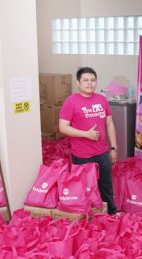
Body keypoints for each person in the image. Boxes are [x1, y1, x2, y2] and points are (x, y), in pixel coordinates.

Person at [59, 66, 118, 214]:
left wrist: (113, 148)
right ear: (78, 83)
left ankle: (111, 211)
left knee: (106, 185)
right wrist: (86, 134)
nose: (90, 83)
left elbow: (109, 124)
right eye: (85, 80)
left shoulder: (101, 99)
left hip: (103, 151)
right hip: (82, 154)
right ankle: (87, 215)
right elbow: (63, 127)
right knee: (85, 187)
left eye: (93, 80)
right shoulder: (71, 101)